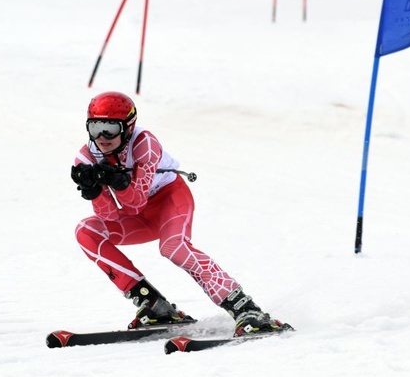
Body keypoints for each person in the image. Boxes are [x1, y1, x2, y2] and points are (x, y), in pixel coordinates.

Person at [71, 91, 289, 336]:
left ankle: (246, 309)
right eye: (95, 127)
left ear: (128, 127)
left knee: (173, 248)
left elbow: (134, 202)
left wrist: (119, 183)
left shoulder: (144, 143)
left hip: (169, 200)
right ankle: (153, 305)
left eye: (110, 128)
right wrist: (94, 191)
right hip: (139, 217)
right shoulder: (86, 157)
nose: (102, 137)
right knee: (86, 232)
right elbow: (110, 216)